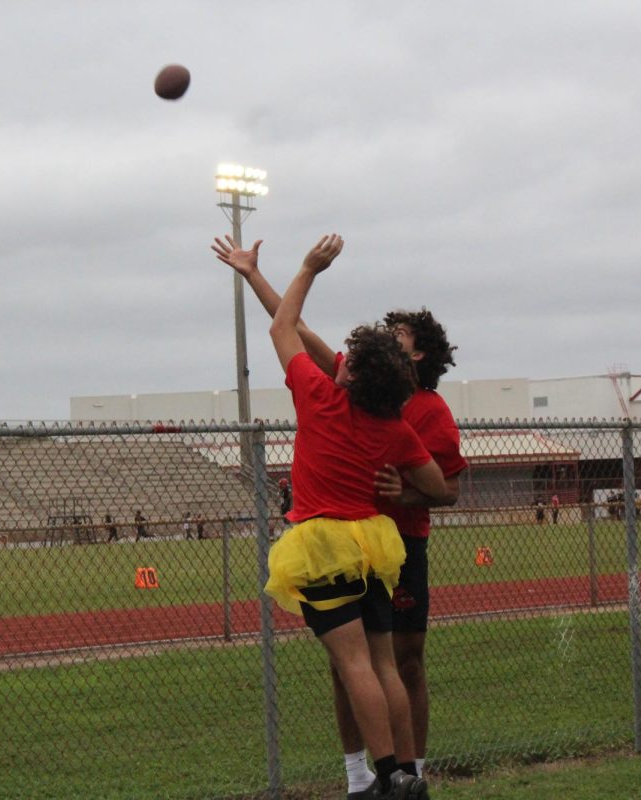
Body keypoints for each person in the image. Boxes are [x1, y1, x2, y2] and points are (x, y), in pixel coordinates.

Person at [214, 234, 465, 797]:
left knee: (355, 665)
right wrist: (255, 275)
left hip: (325, 542)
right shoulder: (393, 423)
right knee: (381, 663)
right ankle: (403, 773)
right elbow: (296, 328)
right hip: (374, 547)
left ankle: (384, 777)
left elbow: (286, 330)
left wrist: (308, 267)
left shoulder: (323, 399)